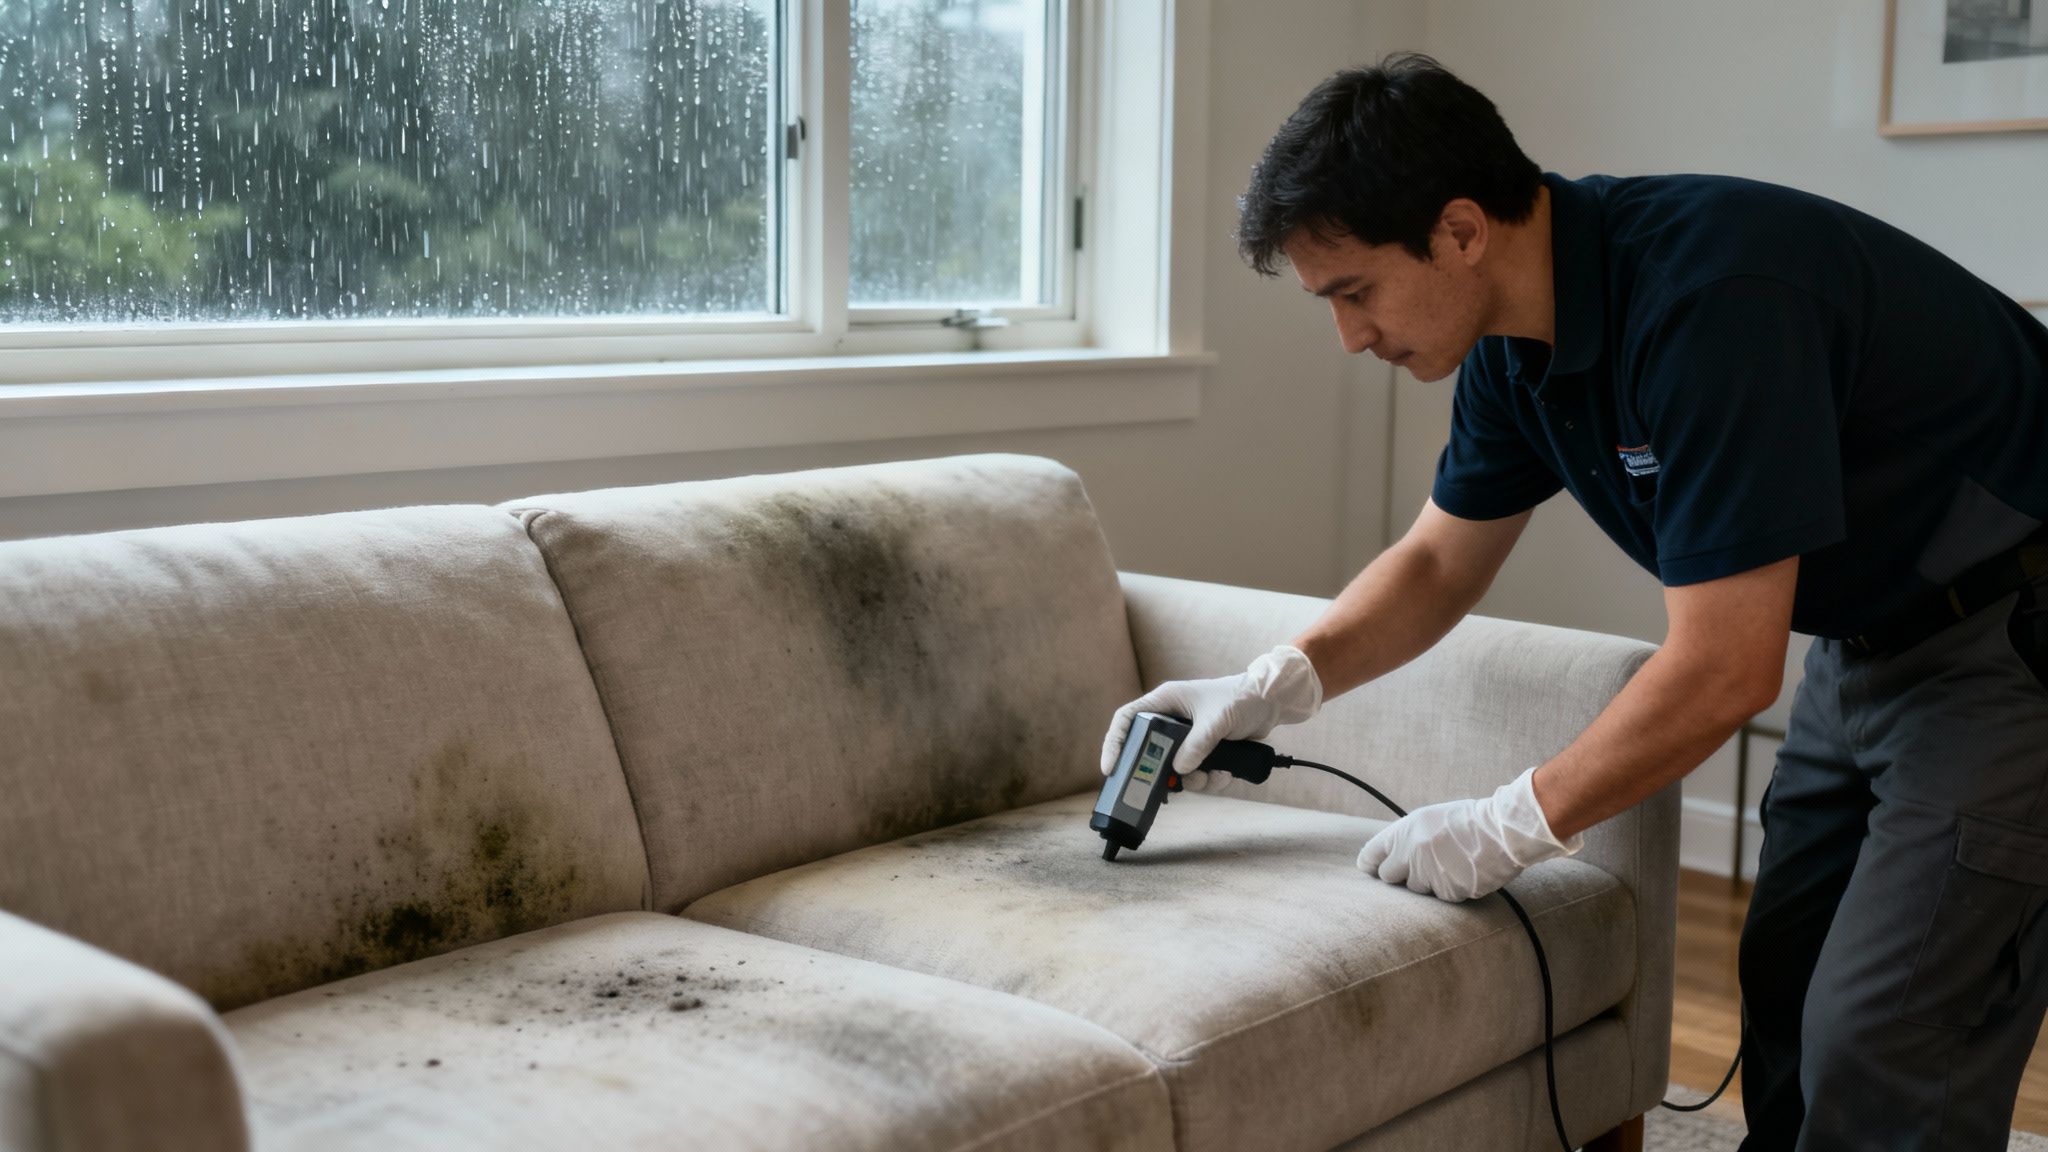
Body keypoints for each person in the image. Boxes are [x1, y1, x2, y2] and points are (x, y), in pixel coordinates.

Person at [1098, 53, 2048, 1151]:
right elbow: (1435, 563)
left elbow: (1724, 665)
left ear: (1458, 231)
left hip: (2009, 636)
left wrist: (1514, 822)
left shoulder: (1707, 306)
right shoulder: (1513, 345)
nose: (1349, 338)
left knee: (1883, 1045)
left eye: (1353, 292)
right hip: (1865, 636)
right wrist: (1270, 682)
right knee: (1785, 981)